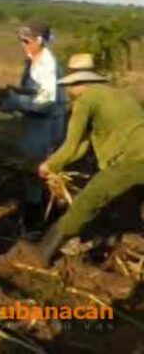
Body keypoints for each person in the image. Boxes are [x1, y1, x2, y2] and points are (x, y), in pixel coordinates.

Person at [31, 54, 144, 264]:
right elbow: (82, 147)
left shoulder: (85, 100)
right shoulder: (118, 95)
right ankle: (106, 252)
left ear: (78, 84)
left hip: (133, 160)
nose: (69, 92)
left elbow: (72, 146)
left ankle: (40, 256)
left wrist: (48, 165)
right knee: (120, 207)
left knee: (86, 202)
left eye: (69, 87)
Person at [0, 21, 66, 233]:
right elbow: (32, 94)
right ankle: (37, 221)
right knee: (34, 176)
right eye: (21, 40)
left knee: (39, 174)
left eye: (26, 40)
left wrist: (14, 102)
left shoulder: (47, 65)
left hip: (47, 127)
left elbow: (45, 102)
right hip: (36, 125)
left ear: (40, 41)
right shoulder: (33, 61)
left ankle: (39, 225)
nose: (23, 44)